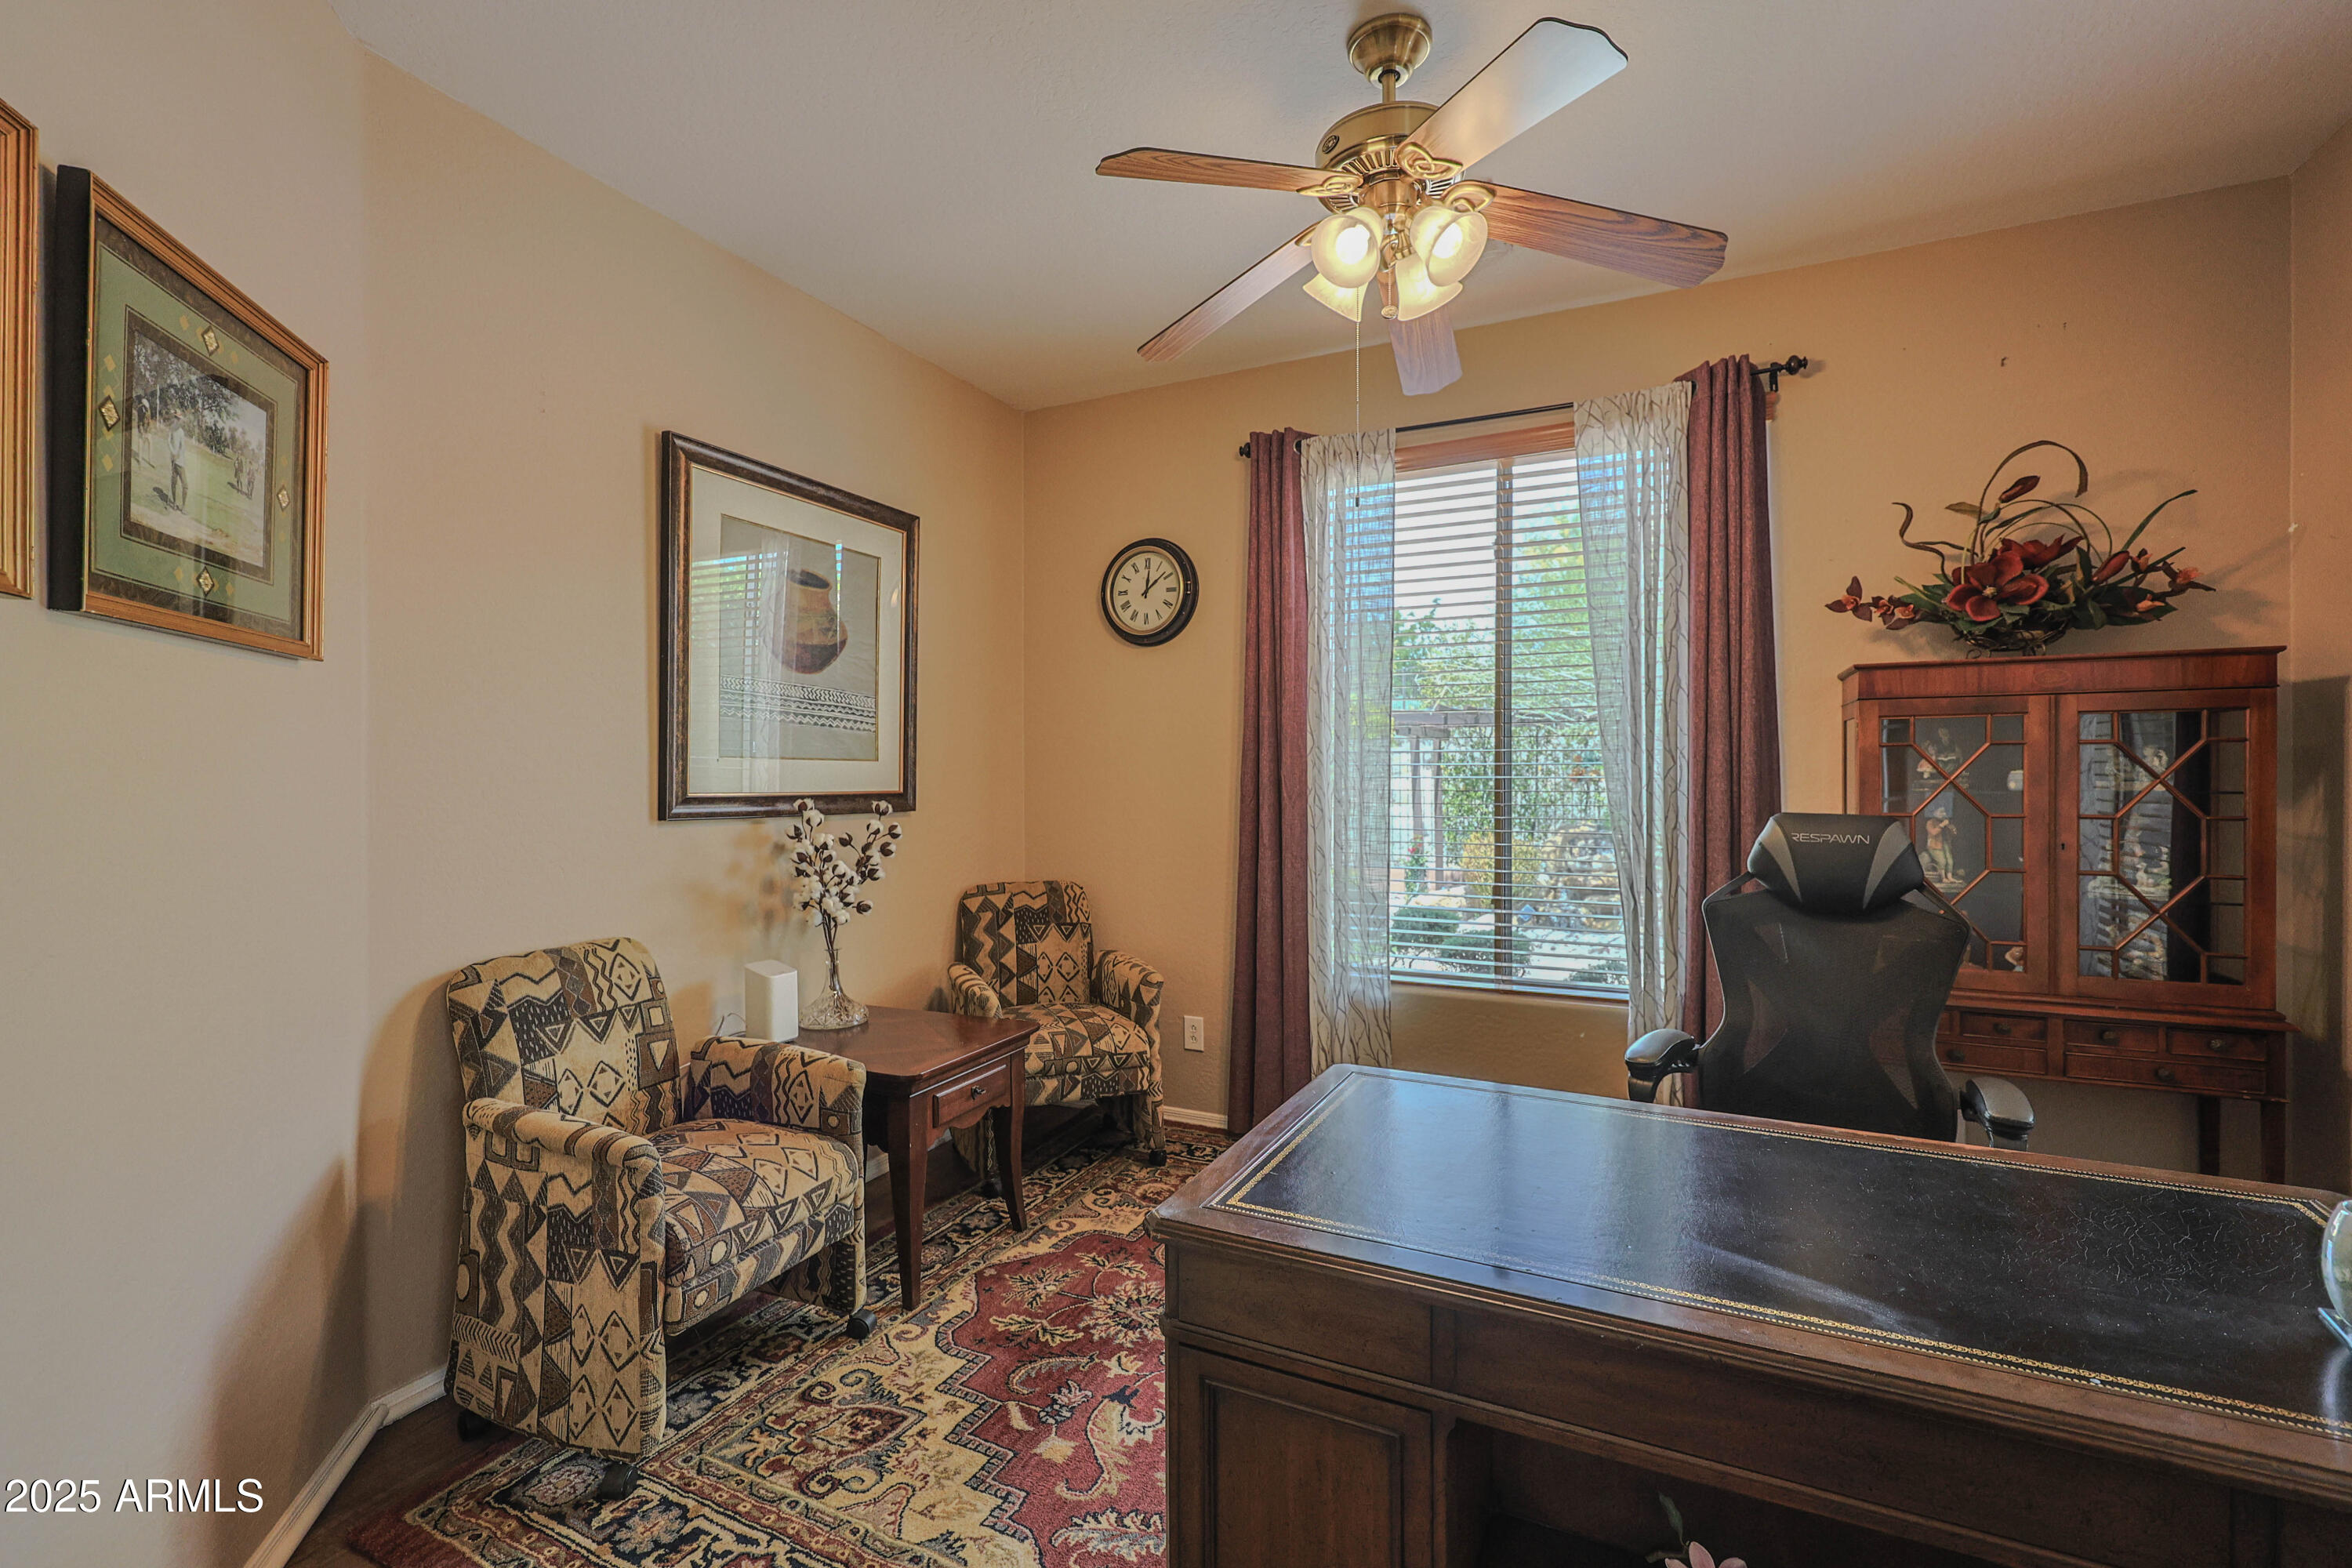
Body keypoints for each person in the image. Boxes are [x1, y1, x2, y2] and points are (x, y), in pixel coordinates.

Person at [168, 420, 188, 510]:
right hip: (174, 460)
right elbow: (168, 441)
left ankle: (182, 506)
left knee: (183, 485)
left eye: (179, 418)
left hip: (180, 460)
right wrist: (173, 453)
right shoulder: (172, 428)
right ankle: (175, 504)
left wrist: (178, 454)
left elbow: (182, 447)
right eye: (176, 418)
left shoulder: (181, 432)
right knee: (176, 482)